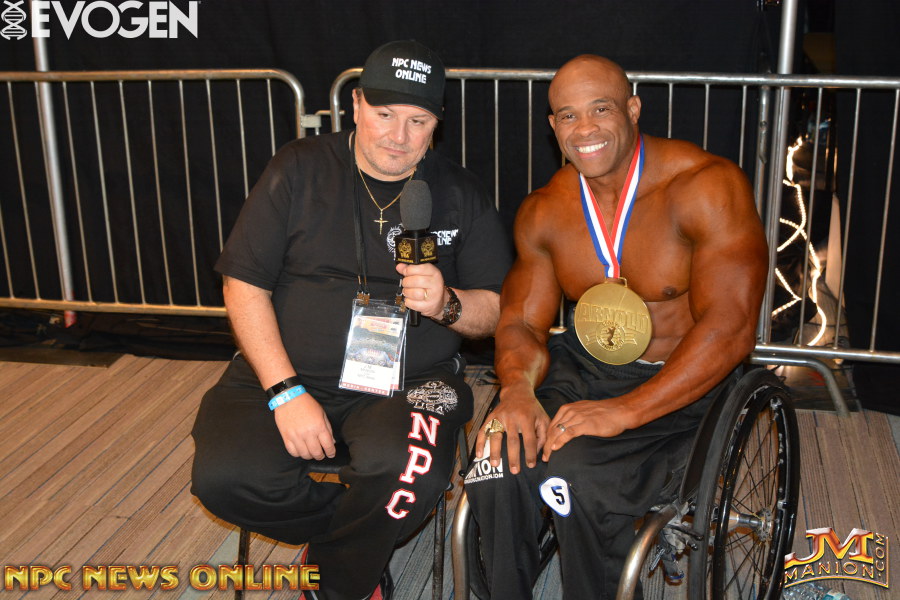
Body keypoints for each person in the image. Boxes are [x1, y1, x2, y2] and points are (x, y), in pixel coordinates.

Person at [191, 40, 512, 600]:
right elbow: (242, 284)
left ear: (436, 124)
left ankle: (338, 575)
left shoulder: (460, 192)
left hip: (414, 383)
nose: (398, 136)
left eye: (417, 121)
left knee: (405, 477)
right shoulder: (299, 167)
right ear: (357, 105)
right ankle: (357, 541)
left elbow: (498, 309)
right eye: (384, 114)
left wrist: (448, 304)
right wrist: (285, 392)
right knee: (224, 479)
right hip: (286, 372)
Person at [464, 54, 768, 599]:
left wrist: (624, 411)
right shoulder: (545, 210)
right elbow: (522, 322)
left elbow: (731, 326)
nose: (584, 129)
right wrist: (516, 390)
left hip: (684, 376)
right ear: (553, 126)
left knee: (575, 477)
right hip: (589, 365)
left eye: (600, 109)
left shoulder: (705, 187)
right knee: (496, 460)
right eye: (568, 115)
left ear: (633, 110)